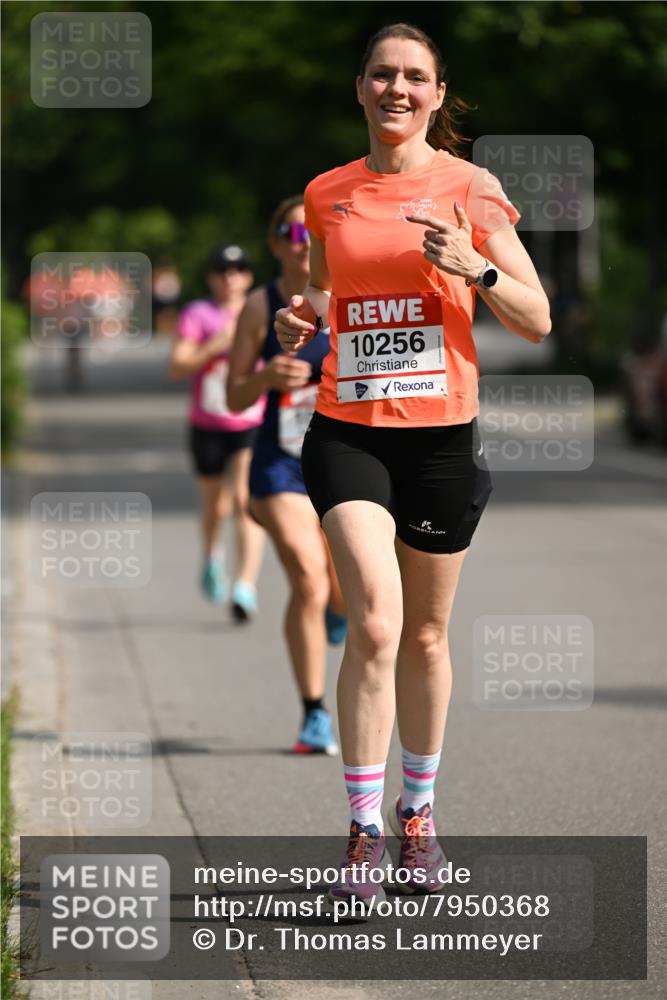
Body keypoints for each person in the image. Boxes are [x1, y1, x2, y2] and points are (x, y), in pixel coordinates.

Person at [275, 22, 551, 908]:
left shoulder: (470, 189)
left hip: (440, 437)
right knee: (378, 624)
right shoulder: (327, 193)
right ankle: (362, 831)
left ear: (437, 95)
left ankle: (418, 816)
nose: (397, 89)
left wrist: (474, 268)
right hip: (348, 429)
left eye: (415, 78)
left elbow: (536, 318)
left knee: (427, 635)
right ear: (359, 87)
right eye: (382, 75)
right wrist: (299, 324)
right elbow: (322, 293)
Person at [226, 196, 347, 755]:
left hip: (345, 456)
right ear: (276, 243)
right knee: (307, 574)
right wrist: (267, 376)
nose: (303, 240)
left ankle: (337, 611)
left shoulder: (351, 292)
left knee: (345, 592)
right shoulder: (259, 306)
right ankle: (313, 712)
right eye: (292, 231)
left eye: (313, 229)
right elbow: (232, 394)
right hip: (279, 464)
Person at [169, 244, 266, 621]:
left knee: (244, 501)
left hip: (250, 422)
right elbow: (177, 366)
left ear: (249, 276)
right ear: (211, 277)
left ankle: (245, 585)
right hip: (207, 424)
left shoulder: (260, 309)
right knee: (216, 505)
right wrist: (216, 344)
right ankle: (212, 555)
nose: (231, 278)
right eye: (223, 271)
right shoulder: (199, 314)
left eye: (239, 269)